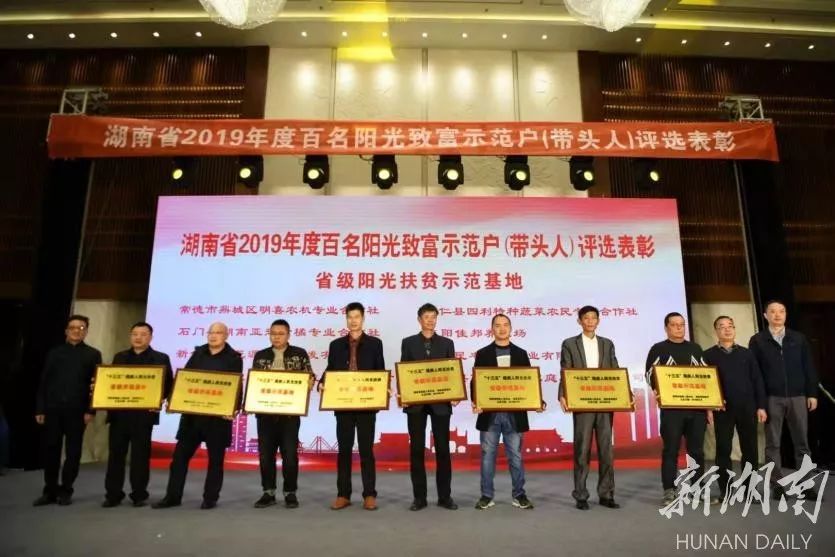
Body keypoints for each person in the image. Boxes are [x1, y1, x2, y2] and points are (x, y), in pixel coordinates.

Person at [153, 322, 242, 510]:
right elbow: (184, 380)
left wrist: (234, 408)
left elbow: (236, 385)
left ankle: (210, 498)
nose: (213, 335)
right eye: (211, 332)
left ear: (226, 335)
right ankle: (172, 496)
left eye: (218, 332)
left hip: (218, 418)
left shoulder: (234, 358)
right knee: (179, 459)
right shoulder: (198, 353)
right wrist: (174, 400)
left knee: (215, 461)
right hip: (192, 417)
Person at [748, 300, 818, 500]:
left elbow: (808, 367)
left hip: (798, 396)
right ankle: (776, 485)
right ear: (765, 315)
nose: (777, 315)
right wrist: (760, 403)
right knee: (773, 444)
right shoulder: (758, 340)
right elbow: (755, 374)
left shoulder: (798, 338)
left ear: (786, 314)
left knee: (802, 443)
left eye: (781, 311)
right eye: (772, 311)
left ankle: (805, 484)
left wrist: (812, 393)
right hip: (772, 398)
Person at [472, 314, 543, 511]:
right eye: (497, 325)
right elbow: (476, 381)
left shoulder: (521, 353)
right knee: (487, 457)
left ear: (511, 328)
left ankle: (519, 495)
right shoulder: (483, 353)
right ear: (492, 329)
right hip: (490, 414)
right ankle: (486, 496)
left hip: (514, 414)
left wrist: (538, 401)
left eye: (505, 325)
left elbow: (529, 383)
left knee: (516, 457)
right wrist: (476, 401)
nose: (502, 329)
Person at [645, 312, 715, 506]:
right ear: (666, 327)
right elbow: (650, 374)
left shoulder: (695, 348)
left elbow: (706, 377)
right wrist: (658, 390)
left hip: (697, 409)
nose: (679, 328)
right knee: (671, 450)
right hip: (672, 410)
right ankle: (669, 490)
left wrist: (709, 408)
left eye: (682, 324)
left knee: (697, 451)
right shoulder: (658, 349)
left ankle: (697, 488)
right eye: (674, 325)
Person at [102, 322, 173, 507]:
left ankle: (139, 494)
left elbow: (169, 385)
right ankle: (113, 494)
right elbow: (110, 382)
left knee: (140, 457)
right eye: (135, 334)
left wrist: (159, 399)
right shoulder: (120, 357)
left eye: (143, 334)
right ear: (130, 336)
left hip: (144, 416)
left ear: (150, 337)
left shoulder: (160, 358)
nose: (138, 337)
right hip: (119, 415)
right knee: (116, 456)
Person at [33, 315, 102, 506]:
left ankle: (66, 490)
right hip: (53, 409)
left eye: (81, 328)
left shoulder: (93, 354)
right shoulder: (54, 353)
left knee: (73, 452)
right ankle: (49, 491)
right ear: (66, 331)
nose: (76, 331)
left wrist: (91, 410)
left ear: (86, 331)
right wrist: (40, 409)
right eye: (73, 327)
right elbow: (44, 382)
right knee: (51, 450)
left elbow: (97, 385)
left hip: (78, 412)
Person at [322, 302, 385, 511]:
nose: (353, 321)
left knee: (366, 450)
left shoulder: (375, 344)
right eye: (350, 317)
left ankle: (369, 494)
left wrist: (383, 388)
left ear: (363, 319)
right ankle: (343, 494)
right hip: (343, 405)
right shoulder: (336, 345)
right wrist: (323, 382)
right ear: (346, 319)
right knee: (344, 450)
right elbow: (331, 369)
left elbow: (380, 371)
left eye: (357, 317)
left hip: (366, 405)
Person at [558, 305, 621, 510]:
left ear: (598, 321)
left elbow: (615, 370)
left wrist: (624, 393)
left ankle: (606, 494)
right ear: (580, 321)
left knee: (606, 450)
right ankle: (581, 495)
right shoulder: (570, 343)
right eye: (586, 318)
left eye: (594, 318)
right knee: (582, 450)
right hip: (582, 402)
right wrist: (562, 394)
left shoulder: (607, 344)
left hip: (605, 402)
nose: (590, 321)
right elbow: (565, 370)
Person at [399, 303, 458, 511]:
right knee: (416, 450)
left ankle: (445, 497)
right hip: (415, 404)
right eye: (426, 316)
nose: (430, 320)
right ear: (419, 319)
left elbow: (451, 373)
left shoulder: (447, 343)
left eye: (434, 316)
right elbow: (404, 372)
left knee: (443, 450)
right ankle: (419, 498)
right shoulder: (408, 343)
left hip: (441, 404)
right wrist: (404, 395)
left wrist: (455, 393)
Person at [251, 319, 314, 509]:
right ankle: (268, 492)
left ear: (288, 335)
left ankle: (290, 492)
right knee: (265, 455)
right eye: (273, 333)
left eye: (281, 333)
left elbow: (309, 376)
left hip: (289, 415)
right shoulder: (261, 355)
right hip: (265, 415)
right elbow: (255, 383)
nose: (276, 337)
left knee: (290, 455)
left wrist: (309, 383)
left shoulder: (299, 353)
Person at [703, 316, 767, 500]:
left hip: (747, 407)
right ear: (716, 331)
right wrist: (709, 407)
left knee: (750, 450)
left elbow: (757, 380)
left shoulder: (747, 354)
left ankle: (750, 489)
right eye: (722, 327)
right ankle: (726, 489)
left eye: (730, 326)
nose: (727, 329)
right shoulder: (707, 355)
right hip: (722, 410)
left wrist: (761, 406)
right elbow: (704, 384)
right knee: (723, 449)